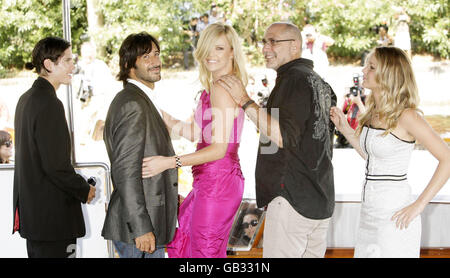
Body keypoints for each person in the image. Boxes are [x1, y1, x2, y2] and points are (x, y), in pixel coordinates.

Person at [217, 22, 337, 258]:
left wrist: (244, 100)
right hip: (319, 199)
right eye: (264, 42)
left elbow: (281, 136)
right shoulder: (320, 83)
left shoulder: (293, 80)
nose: (265, 48)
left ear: (295, 46)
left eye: (273, 41)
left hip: (292, 199)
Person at [330, 46, 450, 257]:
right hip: (369, 213)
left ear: (389, 75)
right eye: (367, 65)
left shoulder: (407, 116)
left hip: (395, 216)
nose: (364, 70)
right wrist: (345, 129)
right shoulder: (373, 112)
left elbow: (447, 159)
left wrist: (419, 205)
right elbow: (372, 158)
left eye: (372, 67)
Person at [141, 23, 248, 258]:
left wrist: (169, 162)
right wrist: (161, 114)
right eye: (208, 48)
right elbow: (195, 134)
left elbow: (218, 149)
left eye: (219, 48)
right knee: (196, 247)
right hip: (212, 179)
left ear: (232, 52)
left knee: (203, 253)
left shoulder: (222, 88)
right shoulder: (214, 87)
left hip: (218, 179)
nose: (211, 55)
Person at [13, 37, 96, 258]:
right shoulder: (49, 103)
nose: (73, 66)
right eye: (67, 60)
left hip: (36, 219)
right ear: (49, 64)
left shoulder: (26, 99)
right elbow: (56, 165)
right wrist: (84, 189)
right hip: (53, 221)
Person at [101, 32, 178, 258]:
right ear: (128, 64)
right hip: (139, 230)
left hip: (146, 224)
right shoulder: (133, 104)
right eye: (146, 57)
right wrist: (141, 226)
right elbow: (125, 170)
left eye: (156, 54)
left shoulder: (139, 99)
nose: (155, 62)